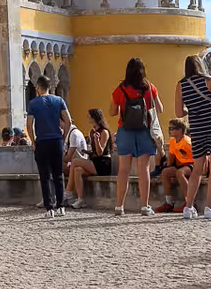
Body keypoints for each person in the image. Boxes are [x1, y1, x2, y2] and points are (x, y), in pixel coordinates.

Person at [176, 56, 211, 220]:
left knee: (197, 168)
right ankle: (209, 207)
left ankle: (188, 207)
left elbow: (179, 113)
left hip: (197, 127)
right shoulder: (208, 80)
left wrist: (193, 109)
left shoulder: (181, 85)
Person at [111, 58, 161, 216]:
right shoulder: (149, 88)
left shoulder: (120, 89)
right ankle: (145, 206)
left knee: (123, 170)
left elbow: (112, 111)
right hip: (144, 130)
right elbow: (160, 108)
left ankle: (120, 206)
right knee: (144, 169)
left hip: (125, 130)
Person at [25, 78, 72, 217]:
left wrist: (33, 140)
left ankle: (49, 208)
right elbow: (68, 120)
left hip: (43, 141)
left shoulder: (33, 103)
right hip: (56, 140)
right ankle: (61, 206)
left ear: (38, 87)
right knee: (58, 174)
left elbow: (29, 125)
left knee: (45, 176)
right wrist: (64, 137)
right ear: (49, 86)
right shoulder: (59, 100)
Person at [69, 111, 112, 206]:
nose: (87, 118)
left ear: (95, 118)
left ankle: (68, 191)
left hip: (103, 163)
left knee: (75, 161)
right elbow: (94, 151)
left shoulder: (104, 132)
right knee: (78, 170)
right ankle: (80, 199)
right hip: (95, 161)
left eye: (89, 116)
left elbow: (100, 152)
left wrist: (97, 140)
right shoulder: (92, 131)